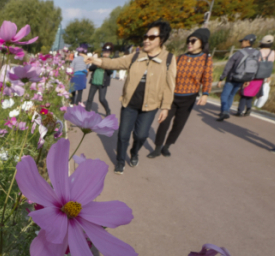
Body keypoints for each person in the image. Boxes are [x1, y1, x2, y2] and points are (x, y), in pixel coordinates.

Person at [84, 19, 176, 175]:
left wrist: (166, 107)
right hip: (130, 104)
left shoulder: (168, 59)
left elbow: (169, 84)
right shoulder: (136, 56)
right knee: (123, 135)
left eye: (152, 37)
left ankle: (134, 152)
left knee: (141, 135)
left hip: (150, 106)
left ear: (162, 39)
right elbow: (115, 63)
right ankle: (120, 161)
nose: (146, 40)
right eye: (145, 36)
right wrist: (96, 60)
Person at [149, 28, 212, 158]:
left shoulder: (206, 60)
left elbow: (207, 78)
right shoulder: (179, 58)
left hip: (189, 98)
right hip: (172, 96)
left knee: (179, 124)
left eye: (193, 41)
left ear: (202, 43)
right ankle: (157, 147)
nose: (189, 43)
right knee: (164, 122)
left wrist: (205, 94)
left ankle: (167, 146)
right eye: (188, 41)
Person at [216, 34, 261, 121]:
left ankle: (225, 111)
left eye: (242, 41)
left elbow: (228, 66)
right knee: (232, 94)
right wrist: (249, 79)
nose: (241, 43)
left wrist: (221, 78)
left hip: (233, 77)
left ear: (248, 41)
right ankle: (226, 111)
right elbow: (256, 67)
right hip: (244, 78)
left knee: (225, 95)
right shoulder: (257, 53)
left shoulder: (239, 53)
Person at [236, 35, 275, 116]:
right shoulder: (273, 53)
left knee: (244, 92)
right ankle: (249, 108)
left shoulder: (258, 52)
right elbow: (270, 65)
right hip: (262, 76)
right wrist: (268, 76)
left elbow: (253, 64)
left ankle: (240, 110)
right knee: (251, 93)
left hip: (253, 75)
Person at [85, 43, 114, 115]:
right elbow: (91, 68)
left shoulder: (111, 61)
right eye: (104, 52)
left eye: (107, 52)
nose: (105, 53)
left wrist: (104, 65)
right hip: (94, 82)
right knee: (89, 98)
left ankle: (108, 111)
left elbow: (111, 72)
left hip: (102, 84)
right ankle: (86, 113)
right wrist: (97, 63)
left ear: (110, 53)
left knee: (102, 99)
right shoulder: (97, 59)